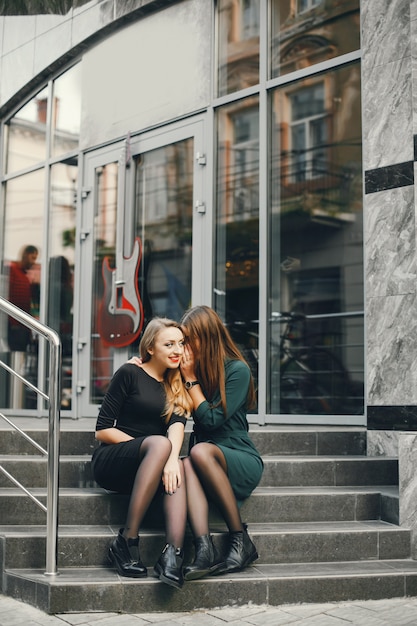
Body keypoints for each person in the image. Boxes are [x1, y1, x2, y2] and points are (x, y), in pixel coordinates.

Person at [91, 318, 193, 589]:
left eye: (181, 344)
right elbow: (102, 430)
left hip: (150, 468)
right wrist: (150, 449)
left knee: (177, 462)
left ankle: (173, 554)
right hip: (115, 460)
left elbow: (177, 429)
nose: (177, 350)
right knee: (160, 445)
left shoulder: (178, 383)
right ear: (150, 347)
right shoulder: (129, 373)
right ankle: (126, 541)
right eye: (169, 344)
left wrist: (168, 460)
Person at [179, 305, 264, 580]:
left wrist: (191, 381)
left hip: (240, 457)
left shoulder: (237, 370)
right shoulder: (192, 368)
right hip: (205, 458)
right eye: (184, 340)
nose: (186, 347)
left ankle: (240, 540)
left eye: (190, 339)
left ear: (209, 336)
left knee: (199, 452)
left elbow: (213, 420)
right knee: (189, 461)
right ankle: (204, 550)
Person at [7, 244, 39, 351]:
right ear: (26, 255)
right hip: (14, 324)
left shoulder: (25, 276)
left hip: (23, 325)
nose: (34, 262)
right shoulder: (12, 271)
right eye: (33, 258)